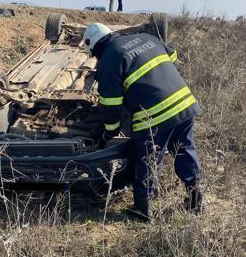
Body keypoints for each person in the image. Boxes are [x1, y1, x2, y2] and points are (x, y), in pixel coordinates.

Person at [83, 23, 202, 222]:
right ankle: (196, 200)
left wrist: (109, 132)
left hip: (154, 116)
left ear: (95, 48)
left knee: (148, 159)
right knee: (185, 150)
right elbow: (171, 56)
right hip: (184, 104)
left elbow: (111, 105)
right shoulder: (147, 38)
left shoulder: (108, 59)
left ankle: (142, 209)